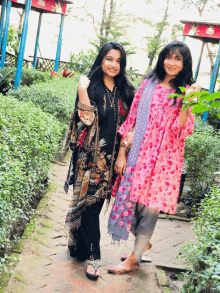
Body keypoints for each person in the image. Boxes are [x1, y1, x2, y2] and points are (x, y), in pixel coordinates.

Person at [108, 41, 200, 274]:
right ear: (162, 59)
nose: (172, 62)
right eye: (168, 57)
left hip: (164, 161)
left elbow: (182, 131)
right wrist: (121, 152)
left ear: (185, 63)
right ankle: (141, 244)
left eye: (178, 59)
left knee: (149, 210)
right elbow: (132, 120)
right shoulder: (147, 85)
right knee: (128, 204)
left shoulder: (186, 92)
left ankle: (134, 259)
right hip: (139, 155)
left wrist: (189, 103)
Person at [64, 41, 135, 280]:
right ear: (101, 60)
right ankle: (94, 258)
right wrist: (82, 90)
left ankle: (81, 248)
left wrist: (123, 152)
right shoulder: (90, 85)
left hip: (114, 160)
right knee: (91, 207)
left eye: (118, 60)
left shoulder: (127, 89)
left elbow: (130, 126)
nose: (113, 64)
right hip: (88, 159)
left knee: (93, 206)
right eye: (109, 59)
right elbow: (84, 120)